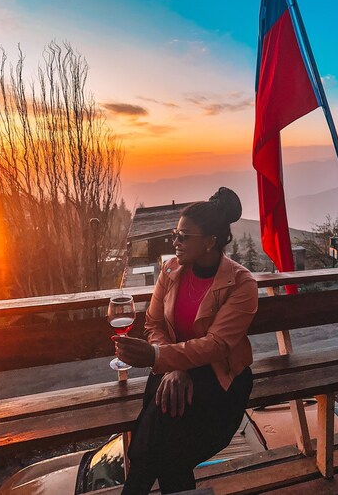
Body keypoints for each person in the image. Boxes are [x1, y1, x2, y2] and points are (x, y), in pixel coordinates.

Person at [113, 187, 258, 494]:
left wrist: (156, 359)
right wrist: (172, 367)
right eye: (174, 234)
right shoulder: (171, 270)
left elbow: (217, 345)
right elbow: (153, 323)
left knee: (161, 431)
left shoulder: (241, 284)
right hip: (172, 369)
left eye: (183, 236)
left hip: (219, 379)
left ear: (210, 242)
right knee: (169, 444)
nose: (174, 242)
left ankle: (133, 487)